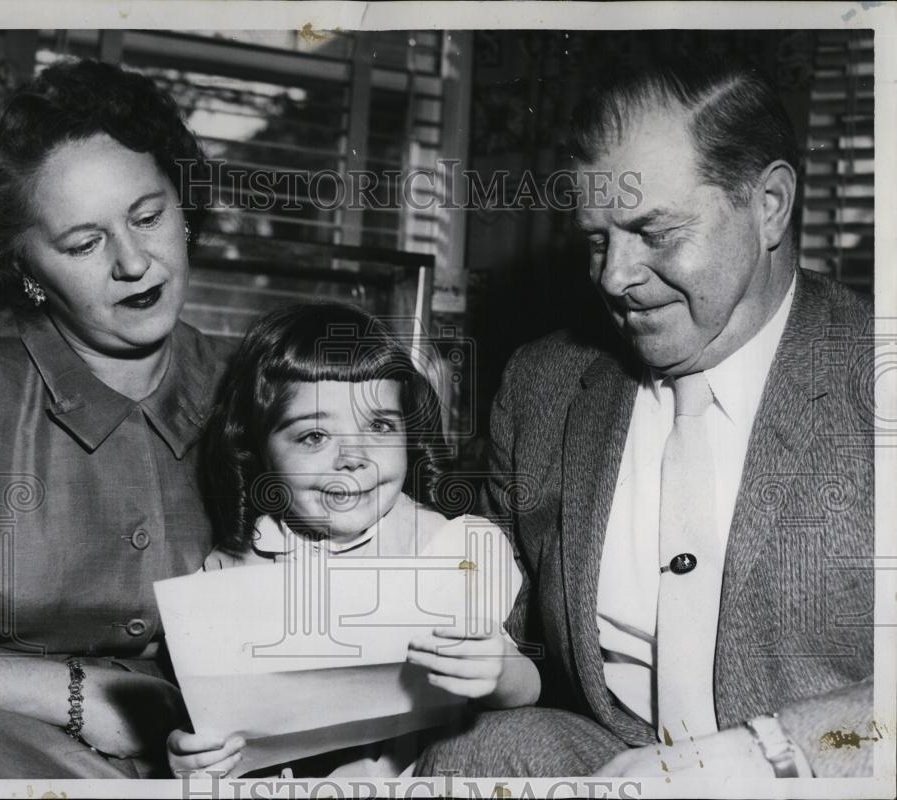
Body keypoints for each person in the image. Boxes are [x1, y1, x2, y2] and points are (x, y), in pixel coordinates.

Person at [416, 55, 875, 778]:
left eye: (655, 233)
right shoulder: (543, 385)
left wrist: (764, 759)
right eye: (597, 239)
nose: (613, 277)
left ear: (770, 205)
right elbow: (507, 634)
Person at [0, 59, 233, 778]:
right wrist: (73, 695)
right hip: (2, 747)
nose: (133, 262)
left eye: (149, 216)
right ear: (28, 270)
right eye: (84, 243)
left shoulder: (263, 384)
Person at [165, 303, 539, 778]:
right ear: (257, 450)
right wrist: (192, 757)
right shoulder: (234, 571)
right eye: (315, 436)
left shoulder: (449, 550)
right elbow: (205, 722)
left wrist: (500, 669)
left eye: (379, 425)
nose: (354, 457)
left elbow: (529, 688)